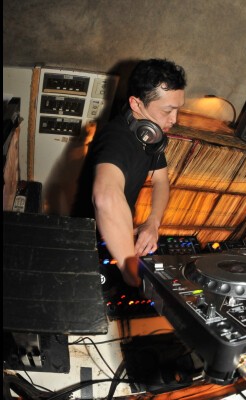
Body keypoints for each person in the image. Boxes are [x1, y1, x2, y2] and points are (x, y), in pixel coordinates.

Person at [71, 58, 187, 287]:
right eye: (168, 110)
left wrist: (153, 222)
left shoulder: (149, 135)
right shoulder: (116, 139)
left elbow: (161, 180)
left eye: (178, 109)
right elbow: (106, 198)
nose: (174, 119)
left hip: (119, 234)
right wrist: (129, 268)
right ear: (136, 103)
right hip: (87, 242)